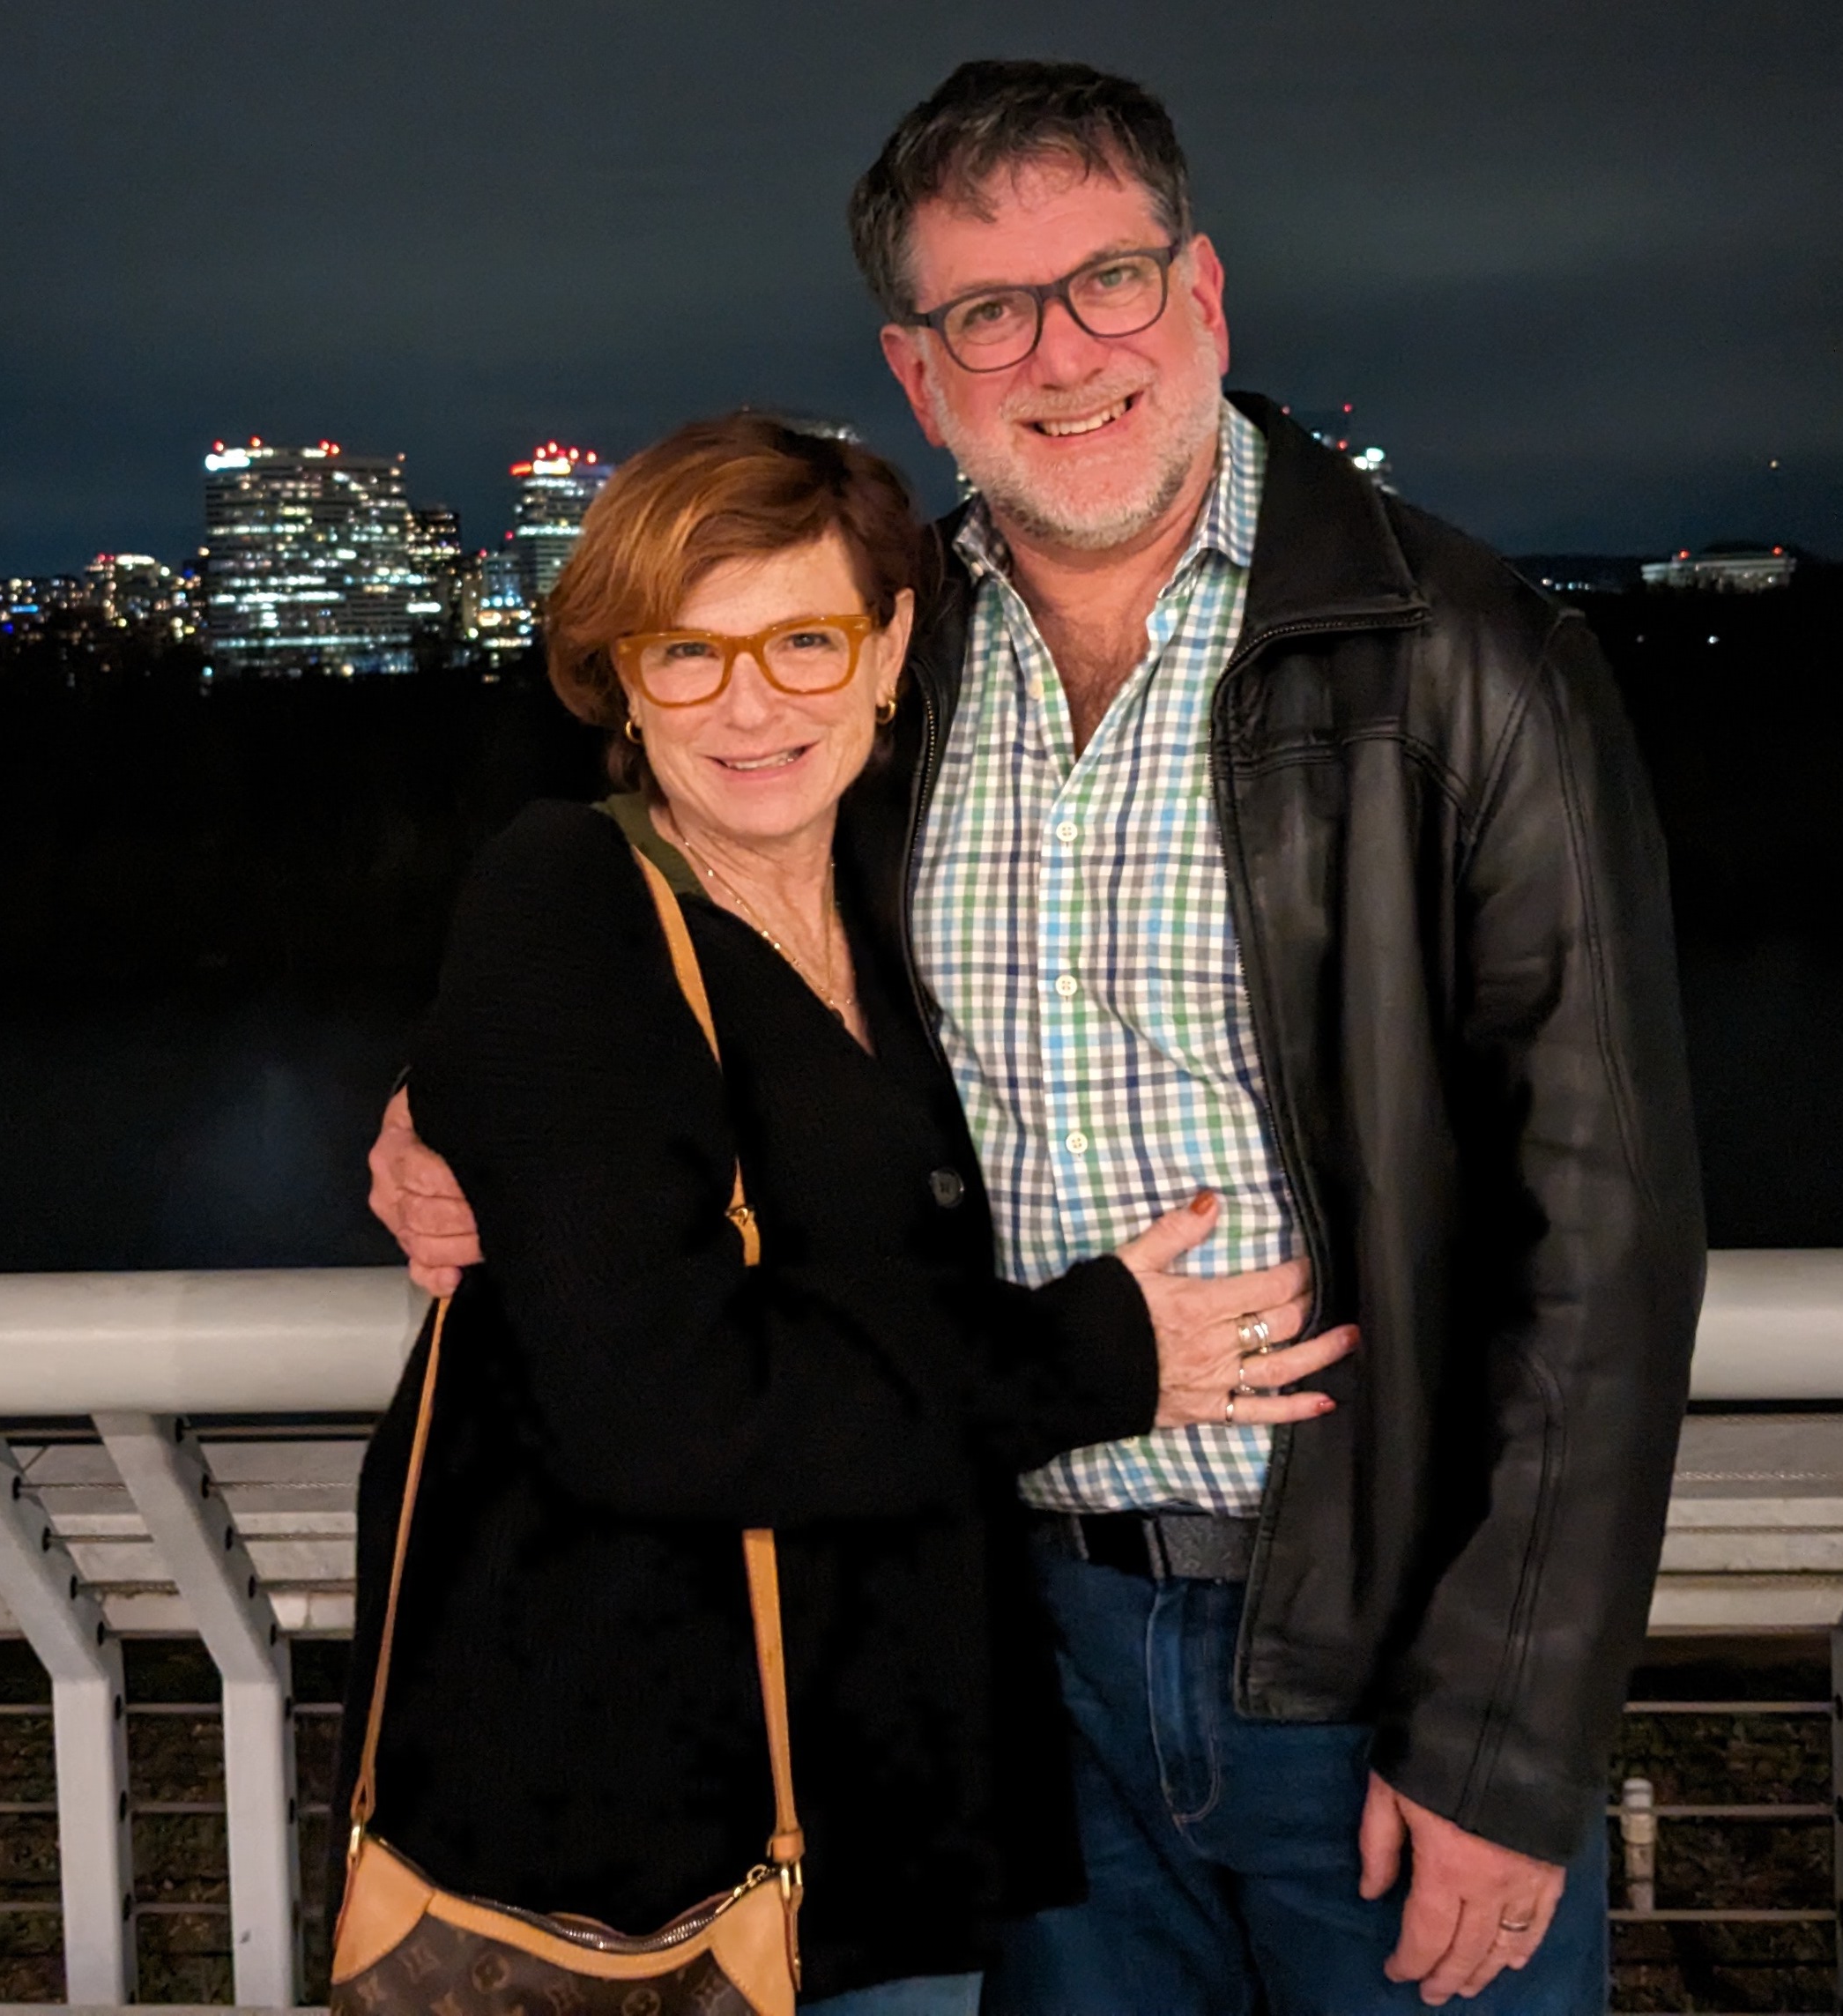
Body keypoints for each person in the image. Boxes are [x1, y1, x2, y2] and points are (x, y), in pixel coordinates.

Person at [371, 63, 1706, 2016]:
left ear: (1202, 296)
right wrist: (441, 1107)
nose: (1060, 353)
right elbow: (671, 923)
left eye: (1107, 282)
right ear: (920, 373)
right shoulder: (892, 646)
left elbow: (1601, 1235)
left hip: (1360, 1648)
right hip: (1001, 1655)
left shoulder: (1460, 655)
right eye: (988, 312)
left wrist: (1502, 1736)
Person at [339, 413, 1354, 2016]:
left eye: (805, 640)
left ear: (889, 649)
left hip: (901, 1802)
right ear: (620, 679)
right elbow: (662, 1407)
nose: (752, 704)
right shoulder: (567, 896)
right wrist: (1102, 1357)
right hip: (661, 1845)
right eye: (688, 652)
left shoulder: (904, 874)